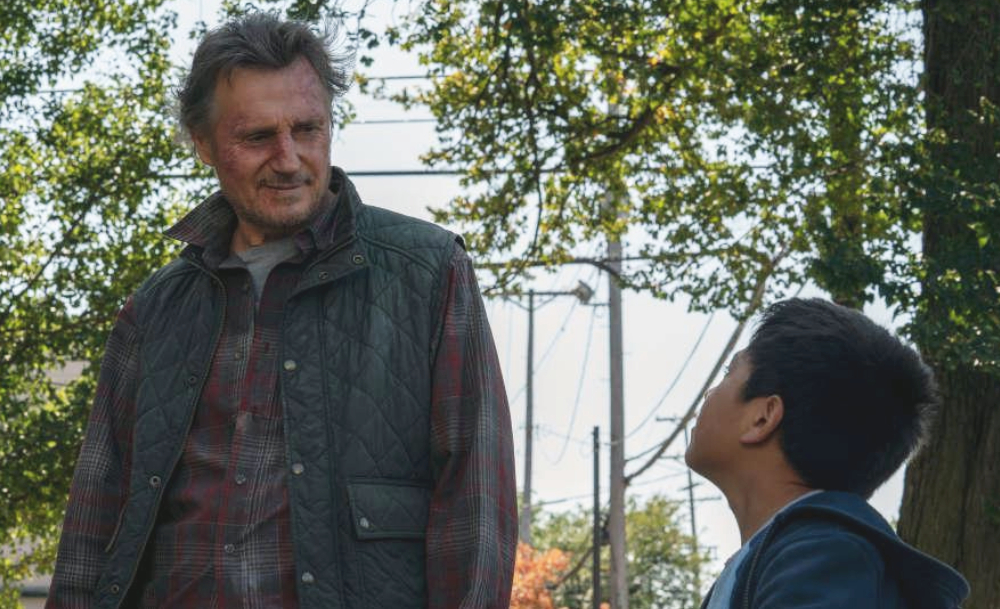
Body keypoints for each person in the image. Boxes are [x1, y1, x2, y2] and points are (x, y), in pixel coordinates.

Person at [46, 12, 516, 609]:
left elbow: (476, 500)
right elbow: (93, 519)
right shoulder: (154, 310)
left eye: (308, 129)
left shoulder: (427, 272)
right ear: (203, 143)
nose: (289, 158)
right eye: (258, 136)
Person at [685, 298, 969, 609]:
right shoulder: (784, 558)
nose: (709, 392)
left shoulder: (825, 557)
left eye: (729, 372)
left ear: (762, 418)